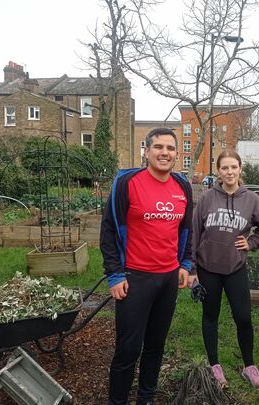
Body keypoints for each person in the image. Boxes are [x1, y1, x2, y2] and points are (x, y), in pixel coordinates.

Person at [100, 127, 193, 405]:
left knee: (155, 345)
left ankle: (146, 398)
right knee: (128, 348)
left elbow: (186, 230)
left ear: (176, 154)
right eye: (158, 147)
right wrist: (115, 274)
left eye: (170, 148)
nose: (165, 153)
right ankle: (117, 401)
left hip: (167, 278)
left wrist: (185, 263)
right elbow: (108, 231)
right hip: (135, 278)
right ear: (147, 151)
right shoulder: (128, 183)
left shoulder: (182, 186)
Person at [189, 150, 259, 390]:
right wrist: (192, 270)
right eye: (224, 168)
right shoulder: (207, 198)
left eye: (233, 167)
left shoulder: (252, 199)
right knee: (210, 316)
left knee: (244, 317)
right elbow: (194, 233)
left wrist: (252, 242)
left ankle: (249, 366)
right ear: (218, 171)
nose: (229, 172)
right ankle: (215, 365)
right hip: (208, 268)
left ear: (240, 169)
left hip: (235, 267)